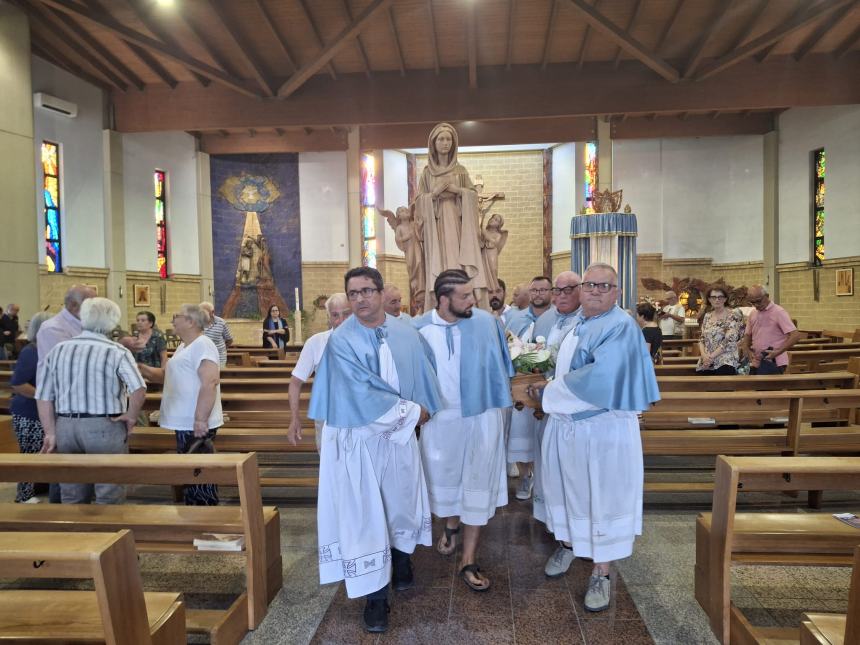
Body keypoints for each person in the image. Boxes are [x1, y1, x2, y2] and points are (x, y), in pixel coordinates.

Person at [308, 266, 442, 633]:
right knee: (365, 517)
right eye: (353, 293)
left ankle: (401, 561)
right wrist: (414, 412)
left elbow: (425, 371)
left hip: (399, 440)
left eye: (367, 290)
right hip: (358, 441)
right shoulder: (341, 340)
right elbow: (360, 393)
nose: (361, 299)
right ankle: (375, 598)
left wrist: (425, 407)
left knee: (400, 504)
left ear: (381, 293)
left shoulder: (406, 332)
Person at [527, 263, 659, 612]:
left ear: (617, 292)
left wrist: (547, 392)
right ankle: (570, 544)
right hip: (568, 427)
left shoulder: (620, 326)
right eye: (590, 285)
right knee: (568, 490)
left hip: (603, 433)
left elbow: (601, 378)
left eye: (605, 285)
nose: (596, 291)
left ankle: (601, 572)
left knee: (601, 497)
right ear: (580, 289)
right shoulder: (578, 324)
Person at [414, 270, 513, 592]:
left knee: (477, 486)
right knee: (445, 484)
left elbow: (502, 368)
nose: (473, 300)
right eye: (465, 296)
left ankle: (468, 560)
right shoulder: (417, 330)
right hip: (440, 422)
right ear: (443, 299)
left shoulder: (486, 323)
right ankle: (451, 526)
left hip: (482, 417)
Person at [36, 298, 147, 505]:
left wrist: (50, 432)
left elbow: (43, 395)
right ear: (112, 322)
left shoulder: (58, 350)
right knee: (109, 490)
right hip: (104, 425)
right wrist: (131, 417)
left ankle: (76, 536)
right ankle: (109, 534)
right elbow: (139, 389)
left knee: (71, 493)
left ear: (83, 318)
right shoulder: (116, 351)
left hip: (65, 426)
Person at [138, 304, 223, 506]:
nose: (172, 319)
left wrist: (201, 419)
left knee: (199, 474)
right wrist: (141, 368)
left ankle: (205, 516)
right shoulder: (184, 346)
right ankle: (195, 514)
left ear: (191, 322)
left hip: (194, 421)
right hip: (185, 421)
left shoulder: (203, 344)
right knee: (190, 473)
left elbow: (210, 381)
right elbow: (167, 376)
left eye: (176, 315)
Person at [413, 122, 493, 310]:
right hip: (437, 228)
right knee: (440, 261)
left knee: (460, 260)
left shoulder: (461, 171)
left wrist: (459, 191)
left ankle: (463, 291)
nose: (445, 143)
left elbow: (473, 196)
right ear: (433, 143)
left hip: (459, 228)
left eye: (448, 139)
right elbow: (418, 202)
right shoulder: (427, 174)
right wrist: (433, 195)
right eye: (441, 139)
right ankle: (442, 292)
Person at [529, 271, 582, 524]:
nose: (561, 296)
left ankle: (569, 525)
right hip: (543, 403)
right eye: (557, 291)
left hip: (572, 408)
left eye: (567, 290)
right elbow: (532, 355)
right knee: (545, 458)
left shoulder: (585, 321)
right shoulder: (544, 319)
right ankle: (548, 516)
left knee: (569, 470)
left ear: (580, 290)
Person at [504, 276, 553, 500]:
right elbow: (507, 347)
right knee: (520, 434)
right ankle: (525, 475)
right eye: (534, 290)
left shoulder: (558, 319)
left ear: (551, 292)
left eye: (543, 290)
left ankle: (543, 480)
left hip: (548, 387)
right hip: (521, 386)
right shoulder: (515, 318)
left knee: (544, 437)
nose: (538, 294)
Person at [287, 293, 351, 450]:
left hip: (360, 419)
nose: (341, 321)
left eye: (346, 314)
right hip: (326, 418)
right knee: (329, 470)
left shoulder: (367, 340)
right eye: (335, 315)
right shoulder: (315, 343)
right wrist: (294, 418)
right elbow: (295, 384)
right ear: (328, 318)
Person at [9, 312, 52, 502]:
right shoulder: (30, 351)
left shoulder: (47, 348)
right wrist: (44, 397)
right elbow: (18, 384)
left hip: (43, 411)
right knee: (30, 453)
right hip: (29, 412)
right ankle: (24, 495)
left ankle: (42, 486)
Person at [739, 284, 802, 375]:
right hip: (757, 361)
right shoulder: (753, 313)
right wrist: (747, 349)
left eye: (758, 301)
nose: (756, 305)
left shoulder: (778, 312)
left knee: (770, 389)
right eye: (752, 302)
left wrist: (778, 352)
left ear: (767, 296)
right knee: (755, 388)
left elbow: (795, 335)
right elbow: (747, 334)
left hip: (775, 361)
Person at [36, 285, 96, 363]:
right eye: (92, 305)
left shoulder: (86, 324)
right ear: (74, 305)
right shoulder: (53, 328)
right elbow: (68, 363)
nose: (96, 308)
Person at [696, 286, 745, 375]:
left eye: (720, 297)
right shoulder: (707, 316)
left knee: (722, 386)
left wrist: (710, 358)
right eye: (713, 297)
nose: (717, 300)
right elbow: (702, 338)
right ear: (709, 299)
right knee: (702, 386)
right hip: (706, 360)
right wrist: (703, 355)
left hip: (725, 360)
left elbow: (729, 340)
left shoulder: (733, 315)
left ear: (725, 299)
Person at [200, 301, 233, 367]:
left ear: (212, 312)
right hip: (202, 357)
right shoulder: (197, 323)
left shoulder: (221, 322)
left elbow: (229, 339)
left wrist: (221, 349)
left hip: (219, 357)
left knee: (219, 375)